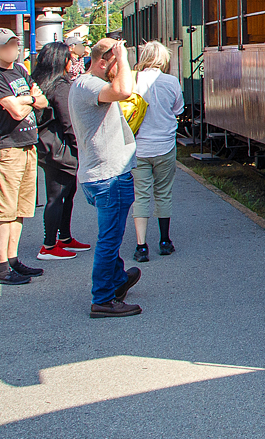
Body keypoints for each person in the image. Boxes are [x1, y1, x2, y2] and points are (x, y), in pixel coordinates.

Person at [69, 38, 141, 318]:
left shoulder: (84, 85)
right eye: (115, 64)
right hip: (108, 175)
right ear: (102, 62)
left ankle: (118, 280)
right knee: (109, 239)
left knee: (110, 235)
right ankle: (103, 299)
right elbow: (123, 90)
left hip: (102, 172)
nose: (120, 68)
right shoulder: (90, 85)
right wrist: (122, 57)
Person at [0, 28, 48, 285]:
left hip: (27, 145)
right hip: (6, 148)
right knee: (4, 209)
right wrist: (30, 99)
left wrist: (26, 99)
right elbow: (16, 112)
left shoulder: (20, 70)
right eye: (5, 46)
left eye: (13, 45)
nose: (11, 50)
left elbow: (41, 101)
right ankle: (1, 267)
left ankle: (13, 259)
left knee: (20, 209)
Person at [31, 41, 89, 260]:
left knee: (65, 194)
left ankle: (64, 237)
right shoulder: (60, 85)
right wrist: (79, 147)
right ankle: (48, 245)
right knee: (58, 196)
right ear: (62, 61)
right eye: (69, 58)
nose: (71, 61)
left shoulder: (38, 80)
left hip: (48, 145)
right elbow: (68, 120)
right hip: (60, 147)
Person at [130, 41, 183, 261]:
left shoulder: (132, 80)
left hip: (139, 148)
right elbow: (178, 109)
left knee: (141, 195)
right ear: (163, 59)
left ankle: (141, 246)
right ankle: (164, 241)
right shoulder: (171, 81)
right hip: (165, 146)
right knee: (163, 193)